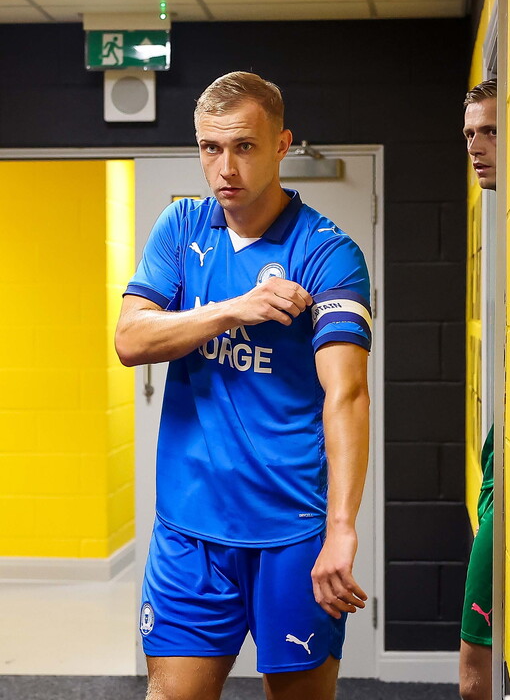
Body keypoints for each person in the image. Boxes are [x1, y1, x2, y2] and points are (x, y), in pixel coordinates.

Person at [115, 71, 372, 700]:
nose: (225, 166)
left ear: (282, 144)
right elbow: (131, 340)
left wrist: (342, 527)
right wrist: (237, 308)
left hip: (291, 530)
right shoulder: (180, 230)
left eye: (244, 147)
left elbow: (347, 393)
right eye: (210, 148)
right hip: (189, 529)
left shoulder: (329, 253)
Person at [459, 78, 497, 700]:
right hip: (499, 469)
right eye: (469, 134)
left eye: (489, 130)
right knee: (473, 679)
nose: (476, 146)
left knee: (474, 681)